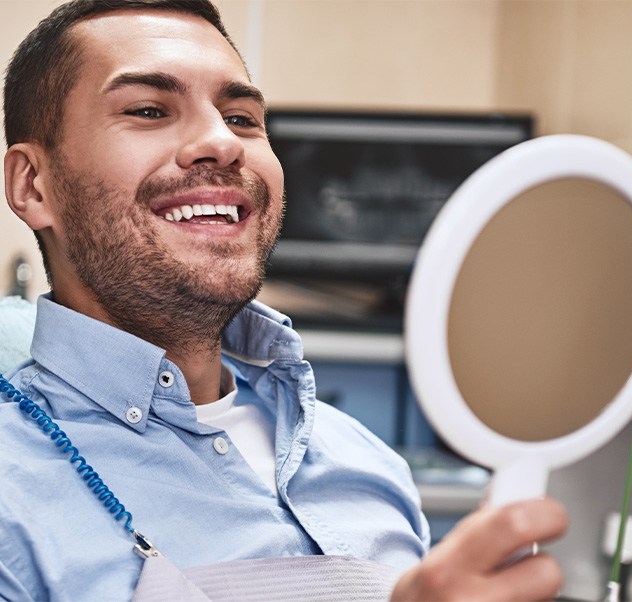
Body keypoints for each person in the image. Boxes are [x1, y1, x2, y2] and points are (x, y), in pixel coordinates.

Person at [0, 0, 568, 599]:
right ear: (33, 185)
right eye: (148, 110)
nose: (221, 142)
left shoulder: (368, 463)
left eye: (243, 118)